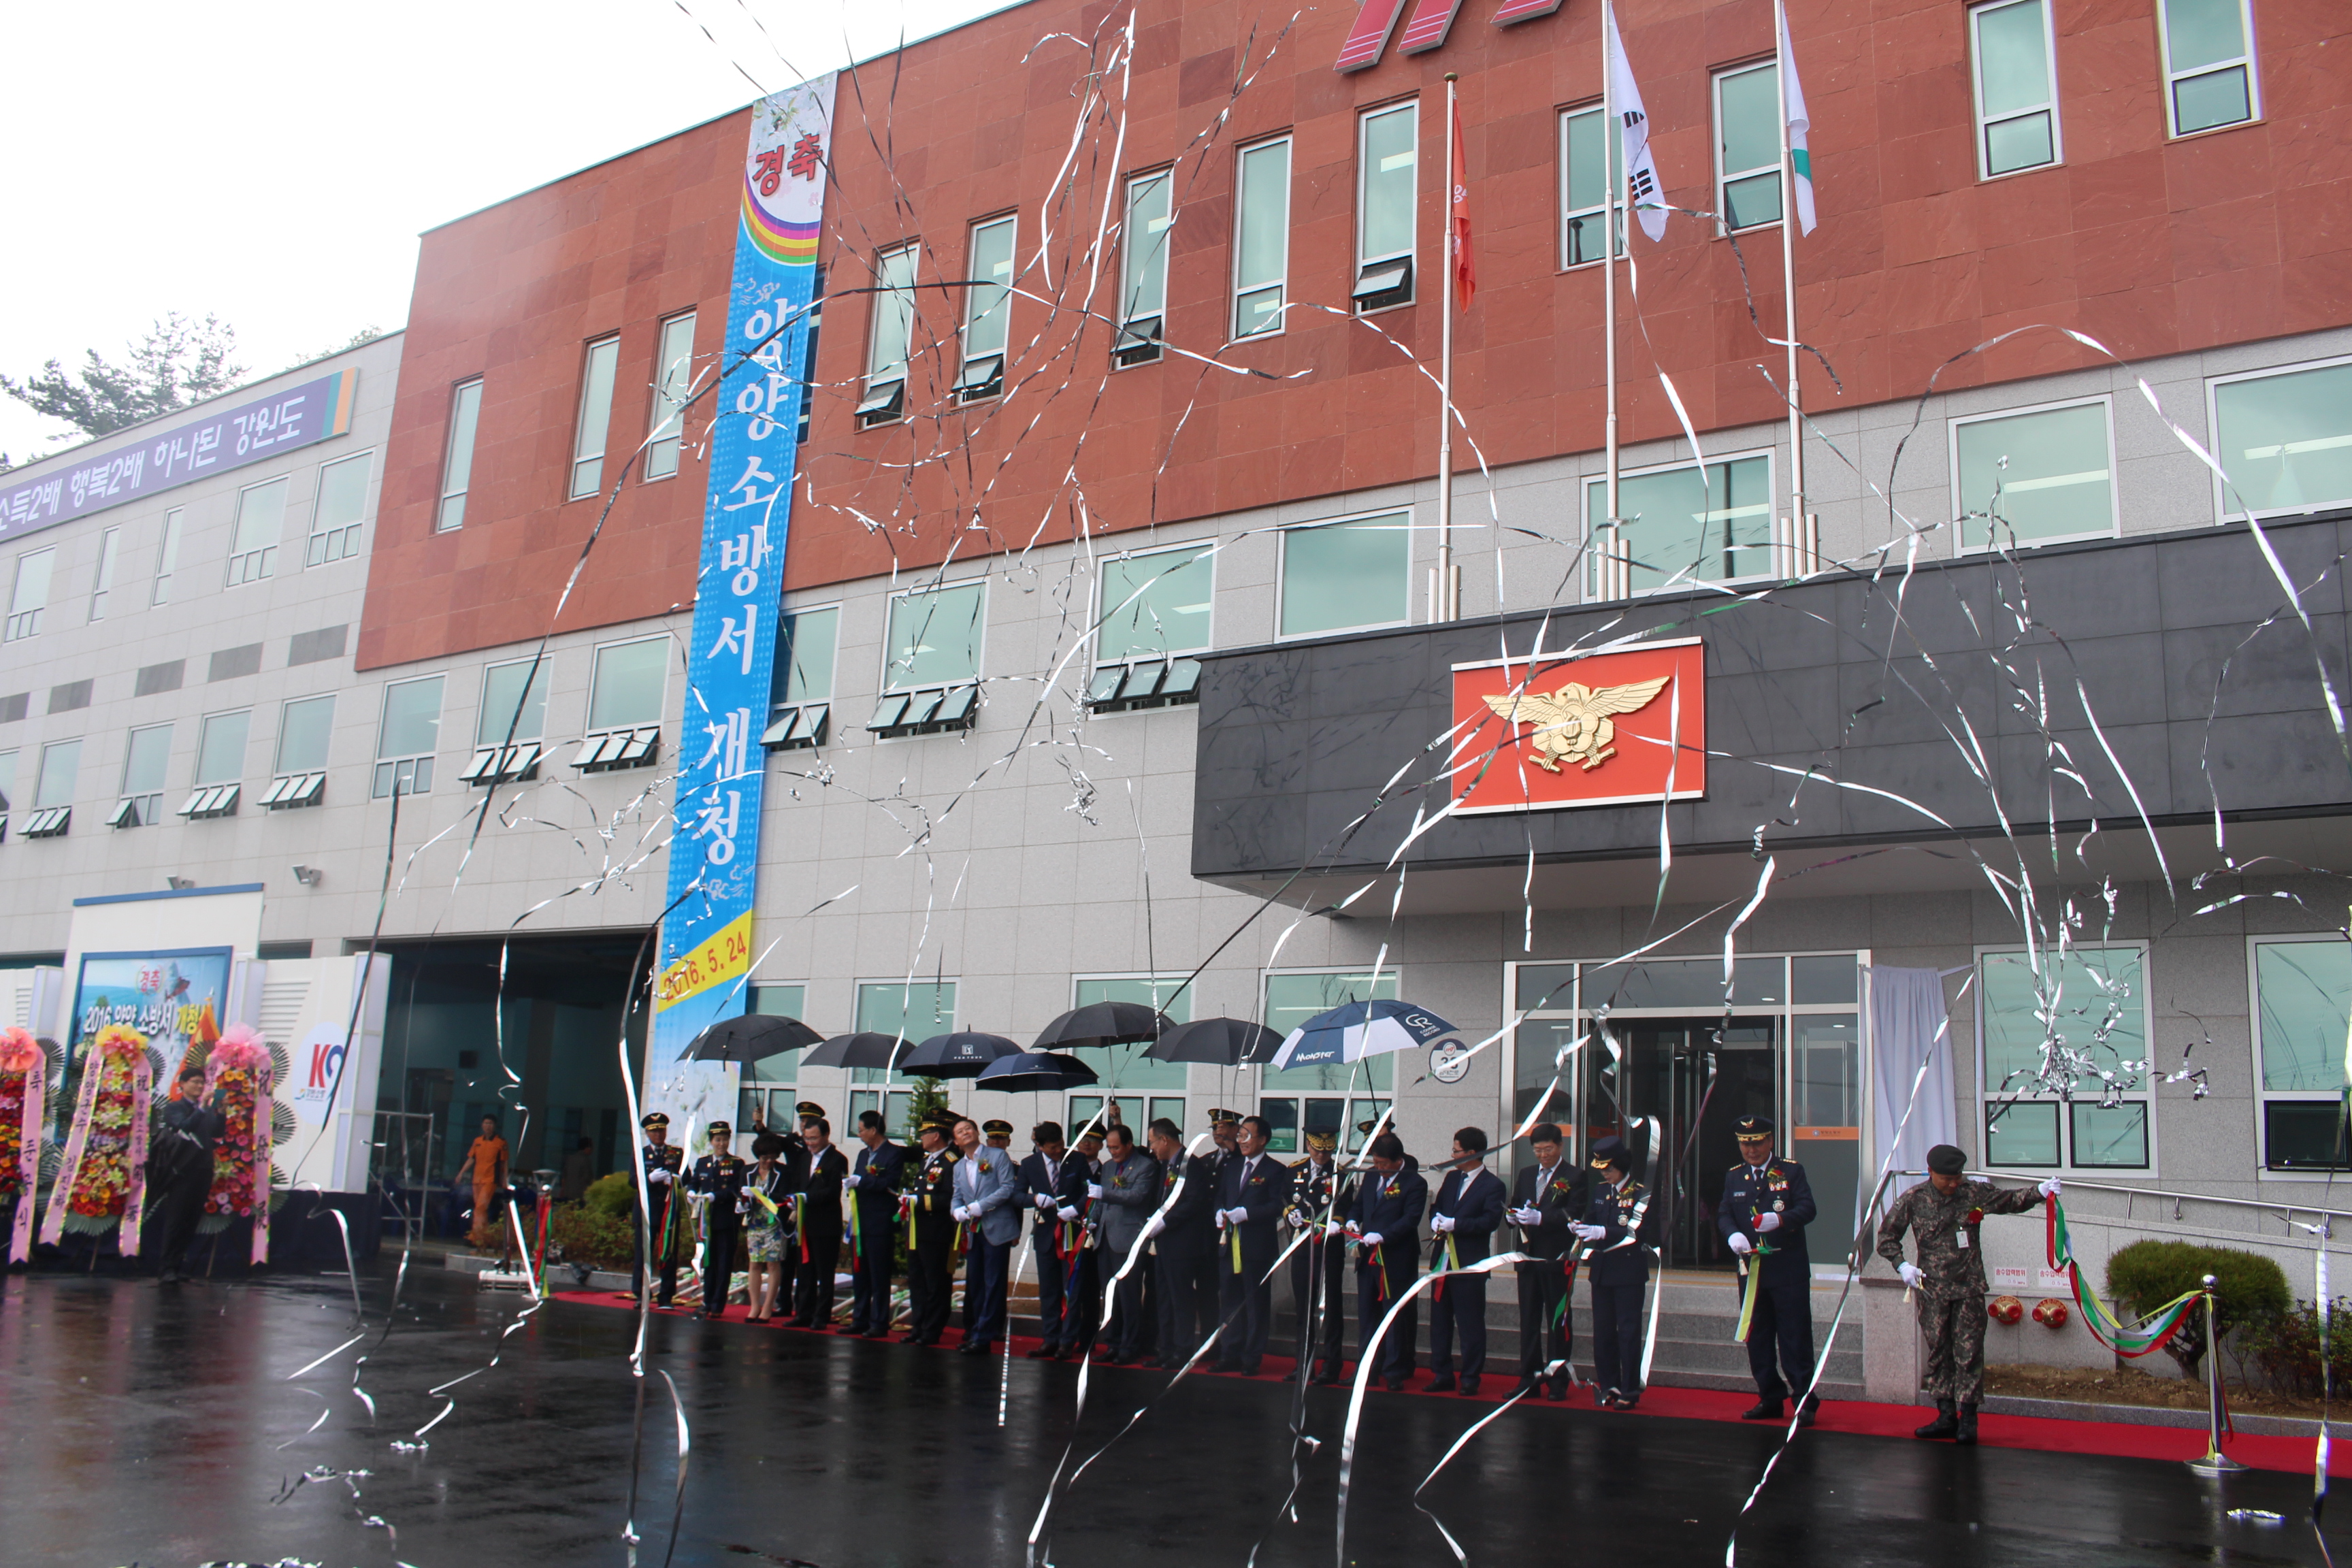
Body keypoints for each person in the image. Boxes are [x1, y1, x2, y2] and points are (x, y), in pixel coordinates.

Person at [1878, 1143, 2057, 1444]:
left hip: (1969, 1287)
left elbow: (2009, 1201)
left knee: (1969, 1352)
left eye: (1957, 1177)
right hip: (1933, 1290)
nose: (1953, 1183)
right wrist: (1902, 1265)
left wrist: (2039, 1192)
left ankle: (1969, 1418)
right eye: (1947, 1178)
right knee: (1939, 1352)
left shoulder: (1972, 1193)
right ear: (1930, 1172)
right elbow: (1887, 1237)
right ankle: (1945, 1415)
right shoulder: (1914, 1199)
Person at [1717, 1115, 1820, 1424]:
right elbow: (1724, 1213)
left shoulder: (1790, 1171)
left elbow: (1808, 1209)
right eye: (1745, 1144)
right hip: (1752, 1273)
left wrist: (1782, 1219)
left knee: (1794, 1338)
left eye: (1758, 1143)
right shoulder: (1735, 1176)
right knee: (1758, 1337)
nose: (1752, 1150)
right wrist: (1732, 1234)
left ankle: (1804, 1401)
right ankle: (1770, 1397)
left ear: (1770, 1141)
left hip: (1787, 1271)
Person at [1575, 1135, 1659, 1409]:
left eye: (1609, 1168)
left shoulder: (1640, 1192)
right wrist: (1580, 1228)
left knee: (1628, 1332)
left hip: (1628, 1271)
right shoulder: (1601, 1191)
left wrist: (1604, 1232)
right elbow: (1591, 1219)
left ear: (1621, 1165)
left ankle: (1629, 1389)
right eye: (1601, 1169)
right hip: (1602, 1270)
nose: (1605, 1174)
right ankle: (1609, 1384)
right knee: (1603, 1332)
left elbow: (1639, 1231)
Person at [1505, 1122, 1584, 1401]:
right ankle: (1529, 1378)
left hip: (1556, 1259)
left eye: (1548, 1149)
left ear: (1560, 1146)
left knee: (1558, 1320)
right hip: (1528, 1259)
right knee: (1528, 1321)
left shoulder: (1575, 1176)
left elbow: (1575, 1212)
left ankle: (1557, 1380)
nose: (1543, 1155)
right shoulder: (1527, 1174)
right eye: (1538, 1150)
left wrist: (1542, 1218)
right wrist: (1512, 1217)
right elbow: (1516, 1203)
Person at [1426, 1127, 1504, 1396]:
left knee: (1470, 1324)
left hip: (1470, 1264)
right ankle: (1442, 1373)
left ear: (1472, 1153)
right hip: (1443, 1261)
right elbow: (1437, 1207)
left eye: (1456, 1151)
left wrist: (1457, 1224)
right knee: (1440, 1322)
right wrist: (1436, 1219)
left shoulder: (1493, 1185)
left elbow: (1490, 1222)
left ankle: (1470, 1377)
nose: (1453, 1155)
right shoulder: (1452, 1178)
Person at [1349, 1130, 1428, 1391]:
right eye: (1376, 1163)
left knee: (1393, 1315)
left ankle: (1394, 1370)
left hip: (1396, 1258)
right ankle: (1366, 1370)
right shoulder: (1372, 1176)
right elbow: (1359, 1205)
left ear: (1398, 1160)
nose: (1379, 1168)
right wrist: (1352, 1220)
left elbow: (1410, 1220)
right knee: (1367, 1316)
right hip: (1367, 1257)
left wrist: (1384, 1236)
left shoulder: (1414, 1183)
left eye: (1384, 1164)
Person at [1213, 1114, 1285, 1374]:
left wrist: (1248, 1214)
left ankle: (1251, 1357)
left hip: (1256, 1247)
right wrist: (1219, 1212)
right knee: (1229, 1301)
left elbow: (1277, 1205)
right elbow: (1221, 1196)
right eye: (1240, 1136)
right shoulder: (1232, 1166)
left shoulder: (1275, 1170)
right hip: (1228, 1244)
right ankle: (1229, 1353)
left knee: (1255, 1304)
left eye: (1248, 1136)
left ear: (1263, 1140)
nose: (1242, 1141)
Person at [1286, 1130, 1355, 1384]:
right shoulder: (1295, 1170)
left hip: (1329, 1249)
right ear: (1308, 1145)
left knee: (1331, 1309)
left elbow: (1345, 1205)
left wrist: (1338, 1221)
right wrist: (1290, 1213)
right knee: (1303, 1310)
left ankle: (1331, 1365)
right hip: (1303, 1249)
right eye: (1317, 1150)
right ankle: (1304, 1365)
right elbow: (1286, 1198)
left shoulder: (1340, 1174)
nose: (1322, 1155)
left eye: (1327, 1150)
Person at [1149, 1117, 1219, 1369]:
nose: (1152, 1148)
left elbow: (1194, 1200)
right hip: (1165, 1243)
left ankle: (1182, 1349)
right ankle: (1165, 1348)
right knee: (1164, 1298)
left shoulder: (1191, 1164)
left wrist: (1166, 1222)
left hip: (1184, 1244)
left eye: (1153, 1143)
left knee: (1181, 1299)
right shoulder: (1167, 1165)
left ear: (1164, 1140)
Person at [146, 1065, 226, 1284]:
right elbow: (184, 1127)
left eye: (202, 1083)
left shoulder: (206, 1110)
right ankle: (166, 1268)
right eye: (195, 1082)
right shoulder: (174, 1107)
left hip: (203, 1169)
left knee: (191, 1220)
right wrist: (202, 1108)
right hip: (181, 1171)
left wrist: (221, 1112)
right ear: (182, 1084)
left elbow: (217, 1133)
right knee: (176, 1219)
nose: (199, 1086)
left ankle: (178, 1265)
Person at [1090, 1124, 1162, 1364]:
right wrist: (1092, 1220)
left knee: (1129, 1295)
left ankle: (1130, 1346)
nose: (1112, 1152)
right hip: (1106, 1237)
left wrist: (1103, 1194)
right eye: (1109, 1148)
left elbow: (1137, 1197)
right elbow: (1100, 1201)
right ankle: (1112, 1343)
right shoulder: (1108, 1167)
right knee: (1110, 1295)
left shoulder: (1145, 1166)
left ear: (1129, 1144)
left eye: (1116, 1147)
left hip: (1130, 1239)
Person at [951, 1115, 1022, 1354]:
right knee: (976, 1284)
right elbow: (957, 1195)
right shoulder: (958, 1167)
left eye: (969, 1128)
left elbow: (1007, 1188)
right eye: (960, 1131)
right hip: (974, 1231)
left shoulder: (997, 1156)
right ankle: (976, 1331)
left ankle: (984, 1336)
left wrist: (982, 1206)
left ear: (977, 1133)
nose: (966, 1132)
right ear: (956, 1141)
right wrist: (956, 1210)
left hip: (997, 1228)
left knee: (993, 1283)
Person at [1019, 1122, 1078, 1359]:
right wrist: (1034, 1199)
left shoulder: (1075, 1159)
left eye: (1060, 1145)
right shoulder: (1029, 1164)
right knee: (1048, 1291)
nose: (1058, 1151)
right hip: (1046, 1234)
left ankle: (1068, 1340)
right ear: (1040, 1146)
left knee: (1070, 1290)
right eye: (1053, 1148)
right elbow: (1016, 1195)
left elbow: (1090, 1190)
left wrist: (1076, 1208)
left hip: (1071, 1233)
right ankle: (1050, 1338)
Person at [846, 1111, 906, 1337]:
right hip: (860, 1221)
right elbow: (858, 1179)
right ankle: (859, 1318)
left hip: (880, 1221)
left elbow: (890, 1183)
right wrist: (851, 1184)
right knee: (860, 1273)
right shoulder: (863, 1154)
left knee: (879, 1275)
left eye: (861, 1130)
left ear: (873, 1130)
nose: (859, 1134)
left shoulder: (893, 1154)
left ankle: (879, 1322)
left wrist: (864, 1181)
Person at [685, 1122, 750, 1320]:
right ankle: (707, 1301)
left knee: (724, 1263)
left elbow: (735, 1189)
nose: (721, 1144)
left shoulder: (736, 1164)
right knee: (709, 1262)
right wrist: (691, 1192)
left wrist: (716, 1196)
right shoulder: (703, 1162)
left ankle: (717, 1305)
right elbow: (695, 1181)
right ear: (711, 1141)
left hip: (727, 1220)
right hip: (707, 1221)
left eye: (725, 1140)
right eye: (718, 1140)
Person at [791, 1117, 849, 1328]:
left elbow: (833, 1191)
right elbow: (798, 1184)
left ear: (826, 1136)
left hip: (826, 1223)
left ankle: (821, 1316)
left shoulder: (837, 1159)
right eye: (807, 1138)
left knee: (824, 1273)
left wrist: (807, 1198)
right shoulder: (804, 1158)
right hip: (805, 1223)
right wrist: (793, 1200)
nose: (810, 1143)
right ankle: (803, 1313)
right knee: (805, 1271)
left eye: (814, 1138)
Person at [905, 1120, 959, 1345]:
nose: (921, 1138)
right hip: (917, 1230)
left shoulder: (950, 1162)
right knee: (917, 1281)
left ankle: (932, 1328)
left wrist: (918, 1201)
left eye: (924, 1133)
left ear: (936, 1135)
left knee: (936, 1282)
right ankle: (918, 1325)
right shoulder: (927, 1160)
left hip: (936, 1231)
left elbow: (948, 1198)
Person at [637, 1113, 690, 1307]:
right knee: (644, 1255)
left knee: (668, 1253)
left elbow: (688, 1176)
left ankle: (666, 1296)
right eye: (654, 1131)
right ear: (647, 1133)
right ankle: (641, 1294)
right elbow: (633, 1180)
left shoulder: (676, 1153)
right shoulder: (641, 1153)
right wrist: (650, 1179)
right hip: (647, 1210)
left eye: (661, 1130)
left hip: (669, 1212)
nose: (658, 1134)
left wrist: (675, 1180)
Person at [744, 1131, 796, 1322]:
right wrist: (743, 1201)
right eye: (765, 1158)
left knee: (773, 1264)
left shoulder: (784, 1172)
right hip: (754, 1223)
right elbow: (740, 1193)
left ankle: (768, 1307)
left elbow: (786, 1195)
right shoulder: (748, 1171)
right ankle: (754, 1306)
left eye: (773, 1157)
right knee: (754, 1263)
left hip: (775, 1223)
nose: (768, 1162)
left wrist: (765, 1194)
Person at [457, 1113, 512, 1255]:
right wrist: (461, 1173)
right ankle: (485, 1240)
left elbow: (504, 1163)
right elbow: (471, 1158)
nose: (488, 1126)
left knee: (480, 1208)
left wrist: (505, 1180)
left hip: (490, 1179)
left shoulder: (500, 1142)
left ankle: (475, 1238)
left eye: (491, 1124)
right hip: (477, 1180)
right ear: (482, 1125)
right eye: (486, 1123)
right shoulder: (477, 1141)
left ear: (495, 1126)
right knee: (481, 1211)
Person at [561, 1136, 596, 1202]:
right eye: (592, 1147)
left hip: (567, 1193)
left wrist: (563, 1190)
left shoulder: (570, 1159)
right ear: (587, 1148)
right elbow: (588, 1178)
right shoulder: (586, 1160)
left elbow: (564, 1177)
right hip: (580, 1195)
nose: (592, 1150)